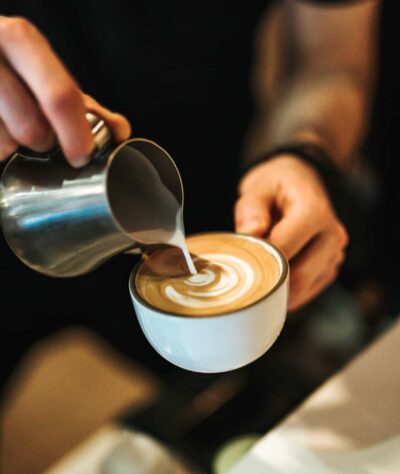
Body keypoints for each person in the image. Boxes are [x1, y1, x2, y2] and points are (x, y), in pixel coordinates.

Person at [0, 0, 380, 387]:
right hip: (18, 189)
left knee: (218, 388)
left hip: (208, 204)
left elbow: (330, 65)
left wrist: (303, 154)